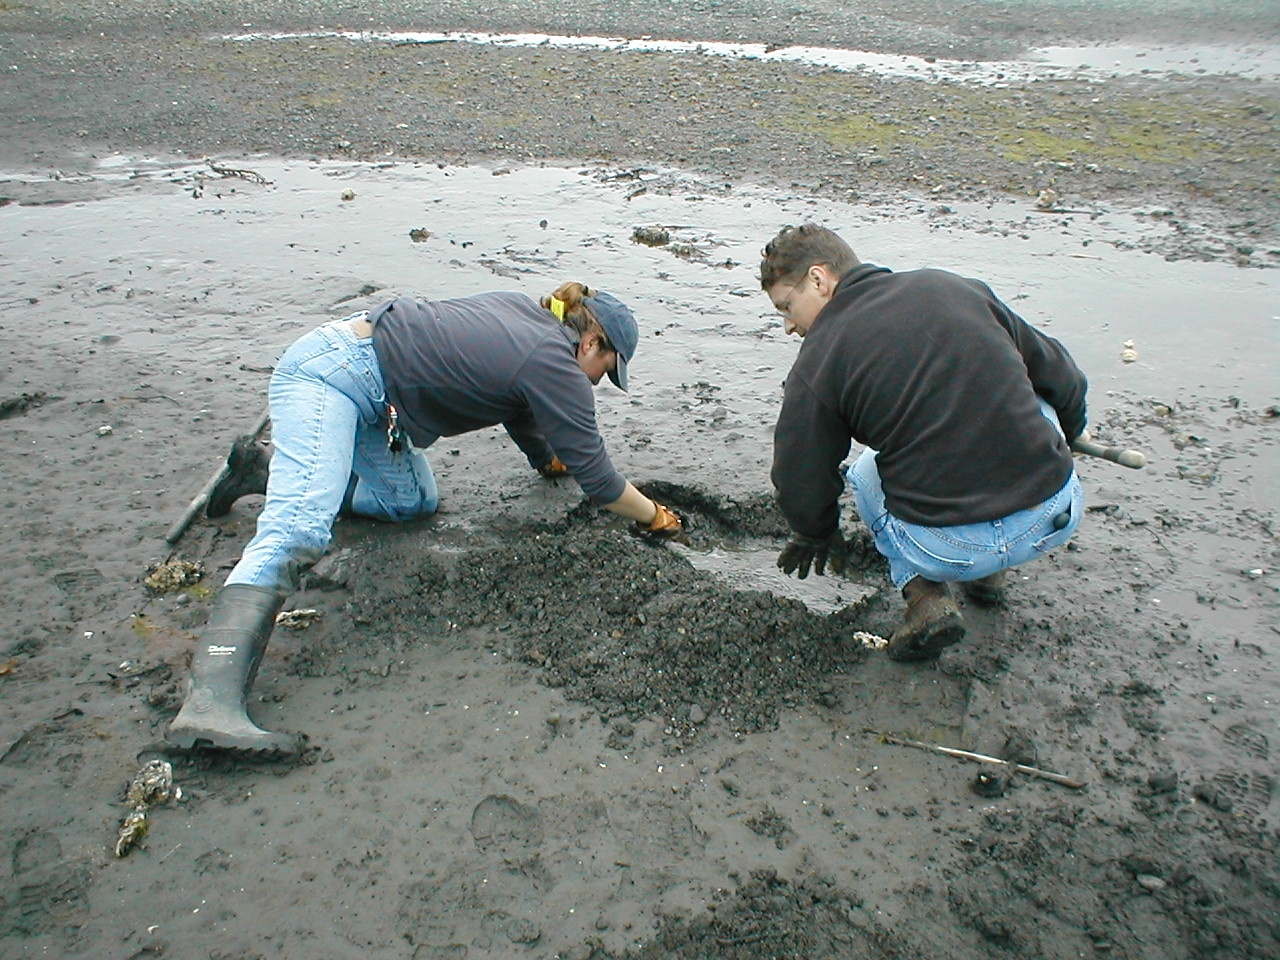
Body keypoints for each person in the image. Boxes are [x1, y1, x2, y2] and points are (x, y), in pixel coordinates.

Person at [168, 281, 684, 755]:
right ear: (592, 342)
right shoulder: (553, 360)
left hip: (379, 397)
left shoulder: (527, 319)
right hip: (330, 374)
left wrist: (546, 459)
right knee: (300, 529)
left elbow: (520, 406)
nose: (599, 383)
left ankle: (260, 471)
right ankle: (209, 707)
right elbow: (600, 481)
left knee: (409, 504)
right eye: (607, 371)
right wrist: (655, 516)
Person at [760, 224, 1087, 661]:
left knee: (864, 473)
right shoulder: (953, 287)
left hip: (950, 551)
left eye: (787, 306)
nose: (788, 326)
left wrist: (814, 533)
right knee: (1041, 399)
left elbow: (799, 471)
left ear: (818, 280)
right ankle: (991, 578)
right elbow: (1064, 376)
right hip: (1053, 515)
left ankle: (925, 599)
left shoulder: (816, 362)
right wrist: (1073, 431)